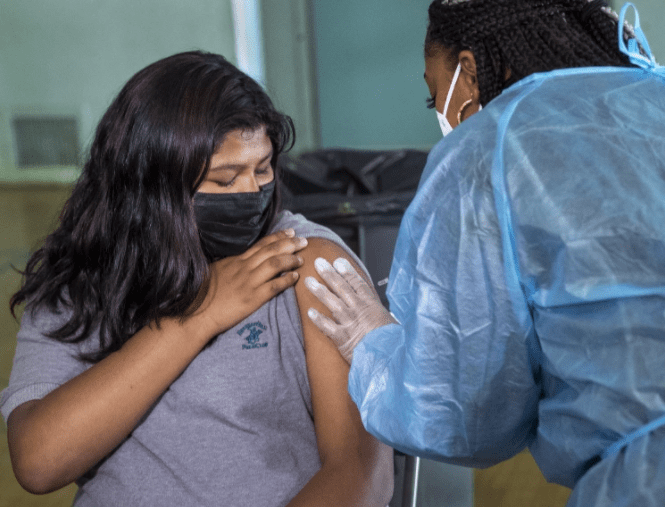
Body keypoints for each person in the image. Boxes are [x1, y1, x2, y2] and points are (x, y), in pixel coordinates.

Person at [304, 0, 665, 505]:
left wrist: (373, 346)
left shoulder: (491, 146)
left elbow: (464, 416)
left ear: (468, 71)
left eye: (434, 94)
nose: (441, 115)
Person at [1, 51, 393, 507]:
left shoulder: (308, 263)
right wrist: (199, 316)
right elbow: (38, 461)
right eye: (225, 180)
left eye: (262, 169)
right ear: (152, 186)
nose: (251, 192)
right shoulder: (83, 277)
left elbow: (361, 476)